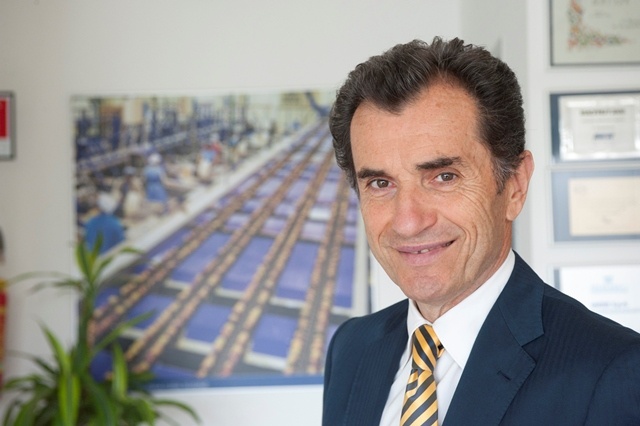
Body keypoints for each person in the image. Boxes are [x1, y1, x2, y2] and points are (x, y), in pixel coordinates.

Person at [322, 37, 640, 426]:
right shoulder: (352, 349)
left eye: (443, 176)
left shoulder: (611, 370)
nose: (407, 221)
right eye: (380, 184)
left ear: (515, 186)